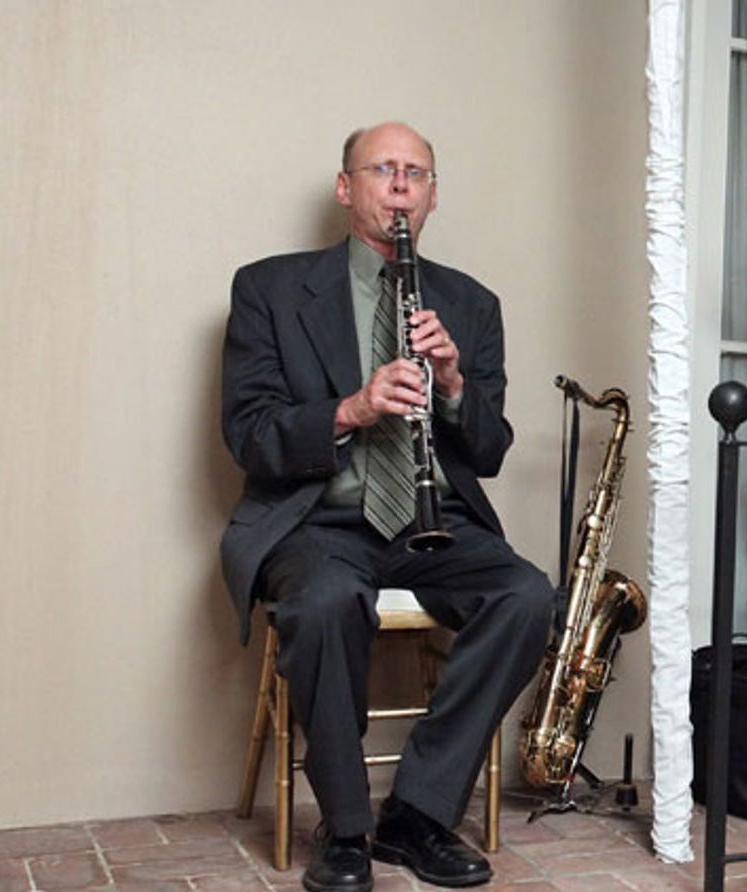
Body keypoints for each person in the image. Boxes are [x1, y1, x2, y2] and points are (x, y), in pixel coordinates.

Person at [220, 122, 555, 892]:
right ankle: (344, 828)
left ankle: (415, 815)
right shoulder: (268, 288)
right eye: (383, 169)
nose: (401, 185)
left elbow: (492, 451)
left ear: (432, 196)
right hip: (319, 522)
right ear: (347, 188)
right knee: (326, 601)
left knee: (526, 594)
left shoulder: (471, 305)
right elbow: (247, 433)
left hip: (428, 521)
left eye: (417, 173)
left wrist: (455, 386)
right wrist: (353, 408)